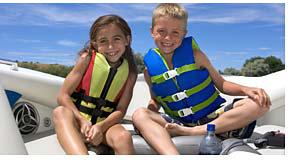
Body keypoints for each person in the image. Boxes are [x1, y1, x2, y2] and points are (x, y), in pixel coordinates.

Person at [132, 3, 271, 155]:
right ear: (152, 32)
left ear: (184, 33)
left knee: (260, 104)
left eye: (175, 32)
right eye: (161, 31)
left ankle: (193, 132)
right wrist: (148, 117)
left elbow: (222, 84)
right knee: (139, 114)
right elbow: (156, 100)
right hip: (177, 122)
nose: (168, 37)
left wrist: (246, 90)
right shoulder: (149, 71)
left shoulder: (197, 56)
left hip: (212, 118)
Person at [52, 15, 137, 155]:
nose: (111, 46)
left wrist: (100, 127)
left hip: (104, 127)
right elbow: (63, 96)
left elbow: (121, 110)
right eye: (104, 41)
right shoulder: (86, 59)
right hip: (78, 122)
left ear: (127, 40)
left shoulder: (131, 74)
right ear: (95, 44)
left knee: (123, 137)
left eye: (116, 39)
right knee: (60, 112)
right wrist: (82, 121)